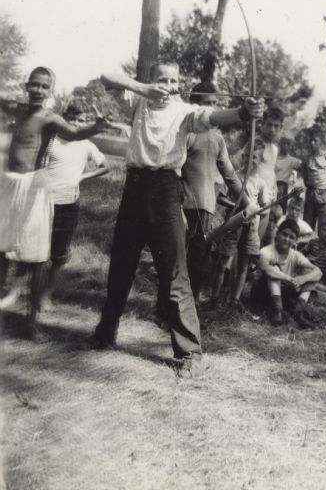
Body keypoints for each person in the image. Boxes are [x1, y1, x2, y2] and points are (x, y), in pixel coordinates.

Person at [90, 62, 264, 373]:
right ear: (152, 81)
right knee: (121, 263)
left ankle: (189, 354)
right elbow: (105, 75)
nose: (168, 85)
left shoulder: (184, 111)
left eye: (173, 80)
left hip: (166, 189)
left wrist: (242, 112)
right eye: (162, 79)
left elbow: (213, 117)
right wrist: (142, 88)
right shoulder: (138, 100)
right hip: (135, 187)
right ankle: (105, 332)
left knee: (175, 270)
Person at [0, 66, 108, 332]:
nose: (37, 90)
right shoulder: (16, 110)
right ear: (27, 86)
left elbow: (73, 133)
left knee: (37, 257)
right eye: (34, 85)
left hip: (34, 187)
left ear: (50, 91)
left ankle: (32, 322)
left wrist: (97, 127)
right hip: (9, 185)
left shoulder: (49, 118)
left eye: (44, 86)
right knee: (2, 252)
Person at [181, 82, 249, 304]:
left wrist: (247, 203)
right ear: (196, 105)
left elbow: (229, 174)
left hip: (206, 209)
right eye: (207, 104)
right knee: (181, 262)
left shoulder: (218, 138)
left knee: (198, 263)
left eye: (214, 104)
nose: (212, 109)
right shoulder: (188, 132)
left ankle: (188, 311)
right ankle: (168, 310)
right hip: (186, 207)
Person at [41, 102, 110, 310]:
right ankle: (20, 290)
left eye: (80, 120)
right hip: (42, 201)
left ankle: (45, 295)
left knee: (58, 254)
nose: (75, 124)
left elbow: (105, 167)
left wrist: (83, 176)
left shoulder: (86, 144)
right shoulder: (50, 139)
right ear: (63, 118)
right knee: (32, 249)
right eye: (72, 119)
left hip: (68, 203)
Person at [211, 149, 270, 311]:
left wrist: (254, 211)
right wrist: (239, 207)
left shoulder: (261, 182)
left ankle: (235, 300)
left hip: (251, 226)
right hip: (232, 223)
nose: (251, 159)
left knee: (244, 265)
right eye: (248, 156)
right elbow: (221, 197)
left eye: (255, 157)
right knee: (223, 262)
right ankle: (214, 298)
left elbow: (264, 206)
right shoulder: (233, 176)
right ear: (244, 157)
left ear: (260, 160)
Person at [250, 219, 322, 326]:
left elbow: (318, 272)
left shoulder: (295, 254)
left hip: (283, 293)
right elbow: (266, 269)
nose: (286, 239)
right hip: (263, 292)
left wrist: (303, 279)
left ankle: (299, 311)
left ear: (295, 241)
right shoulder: (266, 251)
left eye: (291, 237)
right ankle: (277, 311)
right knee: (274, 268)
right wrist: (291, 279)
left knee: (310, 274)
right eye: (284, 234)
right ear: (277, 234)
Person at [302, 128, 326, 230]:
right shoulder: (307, 158)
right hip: (311, 193)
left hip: (325, 193)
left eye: (315, 141)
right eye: (311, 140)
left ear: (321, 143)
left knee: (324, 226)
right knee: (307, 225)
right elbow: (304, 171)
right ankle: (305, 245)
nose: (312, 143)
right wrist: (307, 183)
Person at [275, 135, 302, 213]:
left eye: (288, 144)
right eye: (284, 143)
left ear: (291, 146)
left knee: (280, 210)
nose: (286, 146)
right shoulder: (274, 157)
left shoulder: (292, 160)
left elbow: (305, 168)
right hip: (271, 185)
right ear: (280, 144)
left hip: (283, 189)